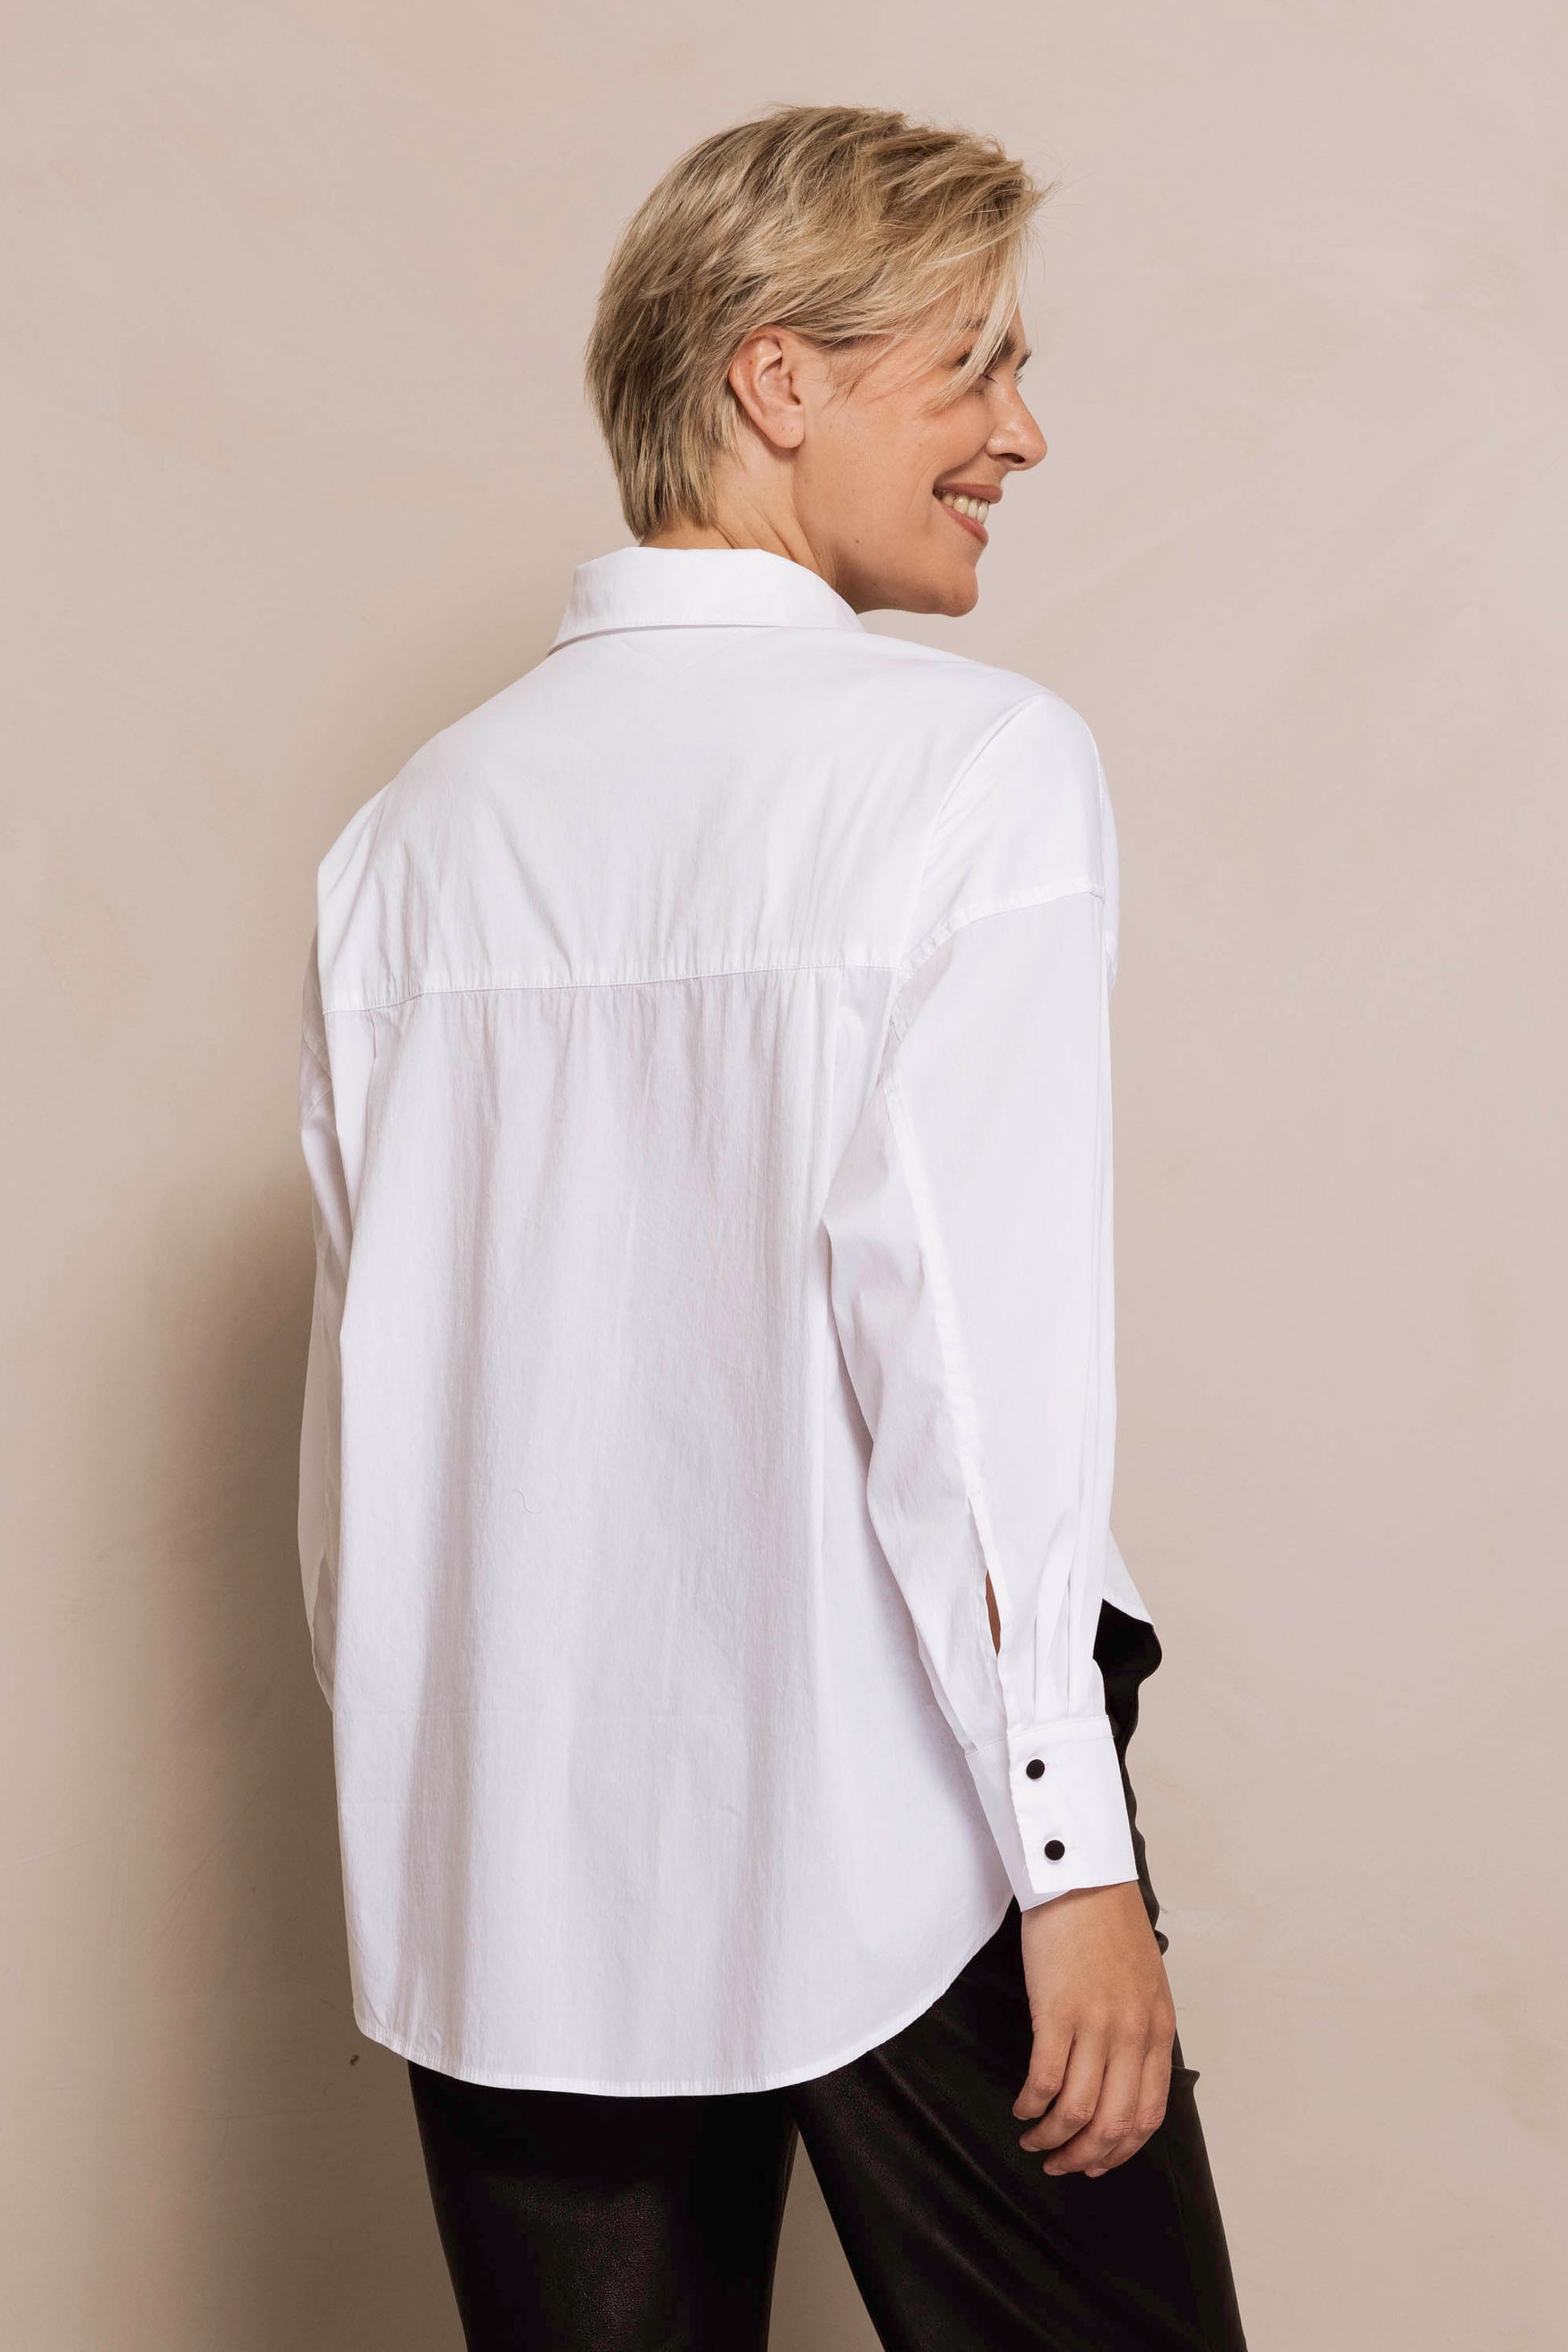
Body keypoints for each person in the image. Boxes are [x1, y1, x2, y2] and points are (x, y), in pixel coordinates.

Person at [297, 102, 1249, 2350]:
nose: (1022, 433)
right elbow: (971, 1366)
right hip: (903, 1804)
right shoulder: (966, 771)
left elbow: (359, 1444)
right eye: (975, 366)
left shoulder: (406, 842)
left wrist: (422, 1824)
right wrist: (1071, 1854)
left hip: (509, 1855)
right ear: (775, 378)